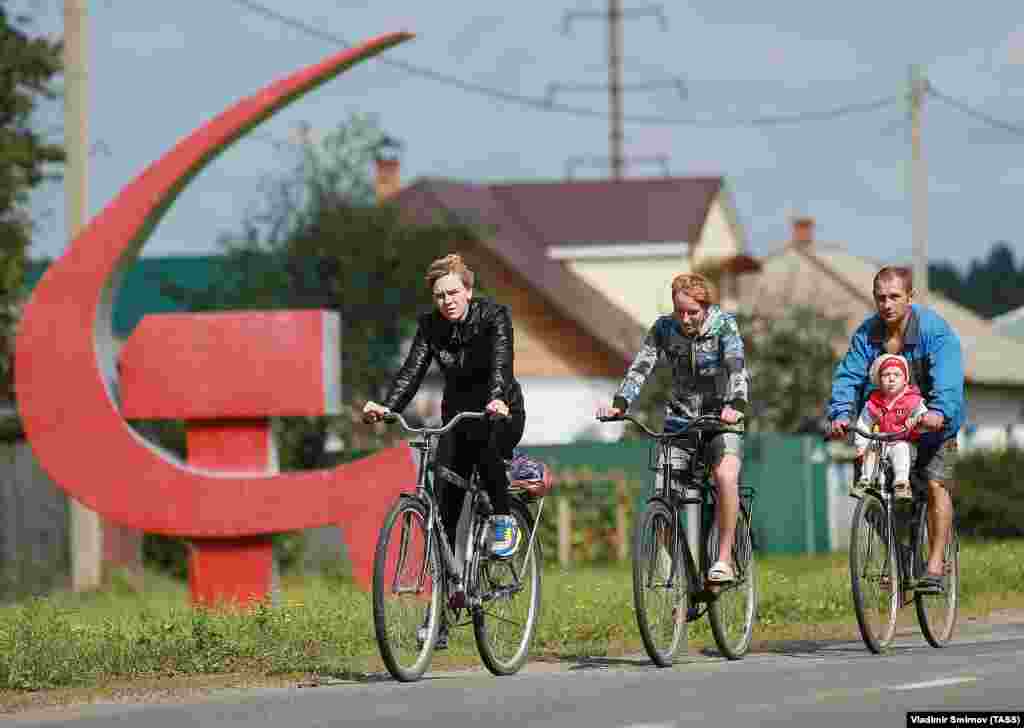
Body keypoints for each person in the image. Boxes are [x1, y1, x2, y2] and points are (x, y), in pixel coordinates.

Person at [363, 253, 526, 560]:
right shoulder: (429, 326)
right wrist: (387, 407)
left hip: (501, 411)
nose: (447, 300)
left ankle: (503, 519)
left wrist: (497, 398)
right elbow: (412, 371)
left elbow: (502, 363)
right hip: (457, 418)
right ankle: (449, 589)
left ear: (468, 291)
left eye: (453, 293)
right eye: (439, 295)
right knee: (446, 500)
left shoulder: (494, 316)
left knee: (485, 443)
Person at [596, 273, 749, 584]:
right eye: (680, 311)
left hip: (722, 419)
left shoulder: (724, 325)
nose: (685, 319)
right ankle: (682, 576)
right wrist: (621, 403)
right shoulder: (664, 328)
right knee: (662, 498)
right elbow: (642, 364)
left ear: (706, 308)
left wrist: (736, 404)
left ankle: (723, 559)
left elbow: (736, 364)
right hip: (680, 421)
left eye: (692, 312)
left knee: (725, 475)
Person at [828, 266, 964, 593]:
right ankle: (901, 558)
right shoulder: (866, 334)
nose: (886, 304)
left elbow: (948, 375)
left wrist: (939, 412)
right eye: (880, 298)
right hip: (884, 428)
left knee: (934, 484)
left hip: (931, 427)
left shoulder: (934, 330)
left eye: (894, 297)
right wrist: (842, 413)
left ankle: (933, 567)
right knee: (868, 487)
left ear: (910, 297)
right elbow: (848, 376)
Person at [851, 353, 928, 500]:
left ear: (905, 380)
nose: (891, 379)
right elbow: (864, 424)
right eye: (886, 375)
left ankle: (901, 483)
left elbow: (924, 415)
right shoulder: (873, 403)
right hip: (881, 442)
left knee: (901, 449)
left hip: (903, 441)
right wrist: (861, 446)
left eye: (897, 375)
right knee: (872, 448)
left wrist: (916, 420)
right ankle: (865, 479)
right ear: (879, 381)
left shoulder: (912, 400)